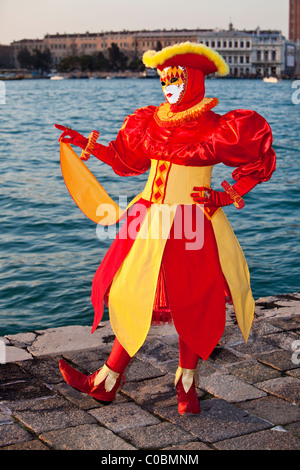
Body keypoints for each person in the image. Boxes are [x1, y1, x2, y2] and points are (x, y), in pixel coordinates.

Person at [56, 42, 276, 415]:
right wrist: (88, 146)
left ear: (194, 79)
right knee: (130, 293)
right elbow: (128, 161)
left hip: (192, 221)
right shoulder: (150, 119)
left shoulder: (218, 126)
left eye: (175, 77)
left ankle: (184, 384)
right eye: (162, 79)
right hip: (146, 219)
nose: (167, 86)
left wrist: (226, 196)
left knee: (192, 300)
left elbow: (261, 158)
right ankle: (109, 379)